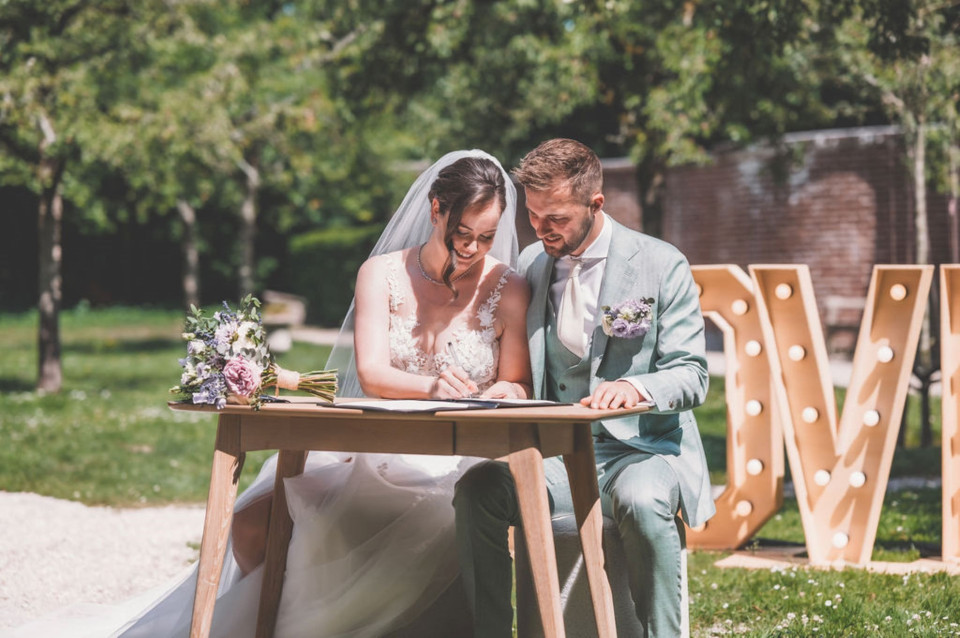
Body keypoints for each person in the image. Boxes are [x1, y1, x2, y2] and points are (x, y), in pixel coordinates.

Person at [6, 151, 530, 638]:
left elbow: (516, 383)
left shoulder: (507, 286)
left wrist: (506, 389)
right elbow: (371, 373)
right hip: (376, 444)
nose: (473, 249)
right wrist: (432, 386)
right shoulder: (382, 274)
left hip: (457, 460)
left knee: (378, 522)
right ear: (436, 210)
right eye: (464, 233)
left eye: (486, 238)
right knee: (256, 519)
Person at [453, 138, 714, 638]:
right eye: (533, 215)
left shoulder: (661, 264)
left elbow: (692, 374)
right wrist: (512, 389)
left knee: (641, 501)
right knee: (478, 490)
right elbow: (524, 368)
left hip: (642, 452)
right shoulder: (530, 264)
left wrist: (635, 386)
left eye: (557, 219)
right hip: (555, 456)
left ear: (596, 204)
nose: (542, 229)